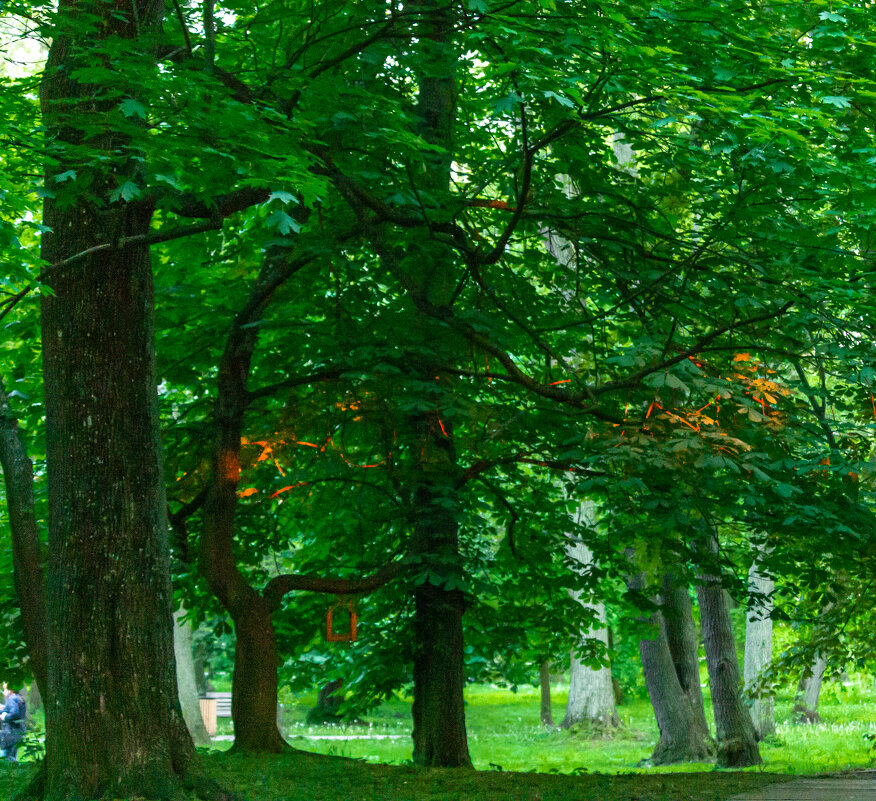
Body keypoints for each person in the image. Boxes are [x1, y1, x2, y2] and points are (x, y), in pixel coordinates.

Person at [0, 683, 26, 762]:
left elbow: (14, 713)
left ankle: (11, 772)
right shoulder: (19, 698)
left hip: (11, 731)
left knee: (7, 756)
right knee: (12, 754)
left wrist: (4, 716)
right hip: (19, 730)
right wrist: (4, 709)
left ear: (11, 690)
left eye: (5, 689)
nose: (4, 692)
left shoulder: (11, 698)